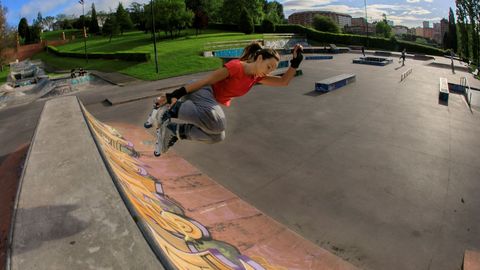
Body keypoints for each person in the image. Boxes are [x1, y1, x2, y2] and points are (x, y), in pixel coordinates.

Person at [145, 42, 304, 157]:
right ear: (260, 58)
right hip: (202, 91)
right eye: (269, 67)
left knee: (217, 136)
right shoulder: (236, 67)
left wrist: (295, 62)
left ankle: (174, 131)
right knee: (219, 123)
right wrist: (175, 94)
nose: (268, 72)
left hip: (209, 102)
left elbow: (284, 81)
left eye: (272, 69)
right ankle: (169, 111)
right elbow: (207, 80)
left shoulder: (256, 78)